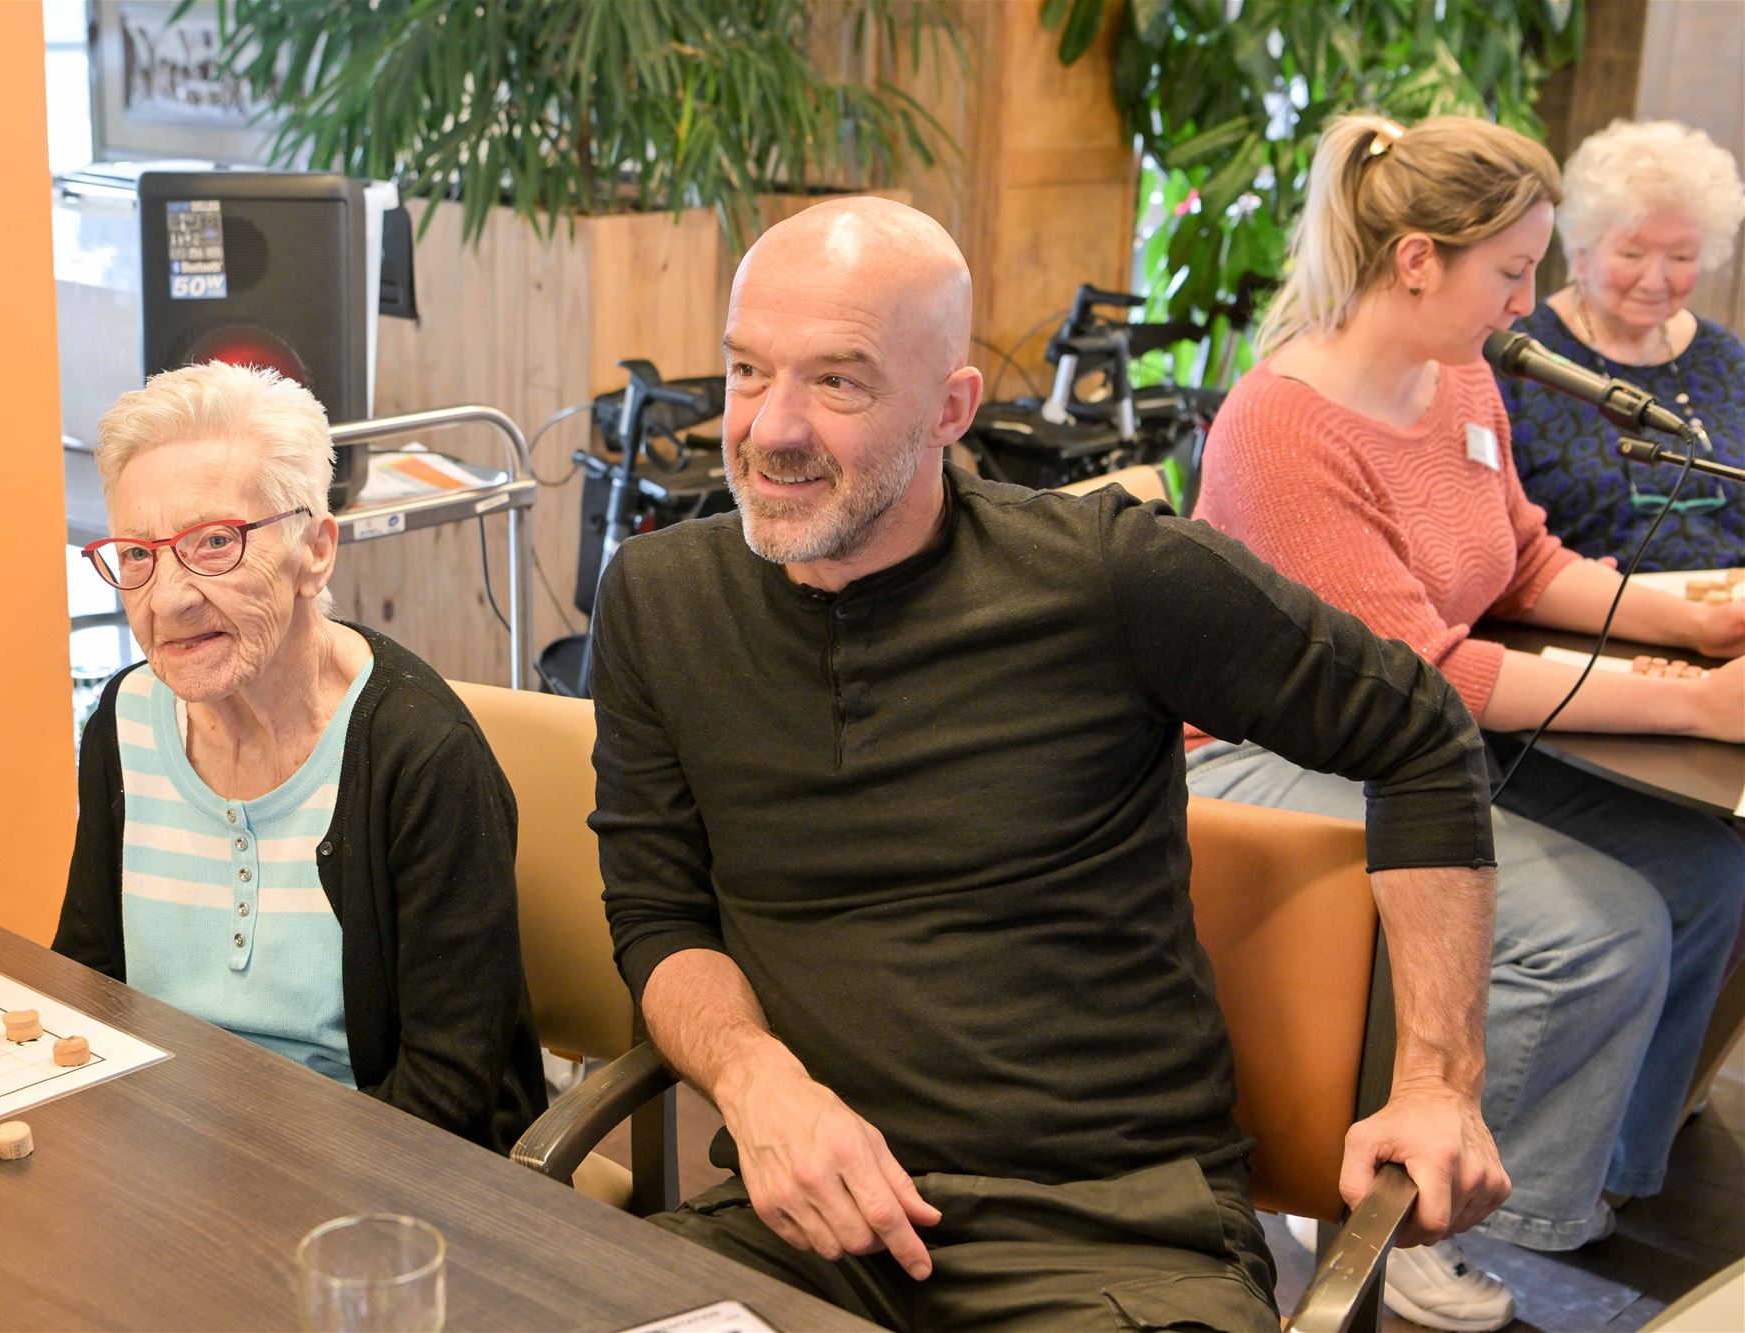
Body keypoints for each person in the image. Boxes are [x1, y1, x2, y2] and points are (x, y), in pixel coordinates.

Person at [590, 196, 1511, 1332]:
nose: (771, 428)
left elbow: (1420, 735)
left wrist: (1437, 1084)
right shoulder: (660, 599)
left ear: (950, 407)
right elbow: (659, 911)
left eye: (837, 382)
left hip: (1111, 1239)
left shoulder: (1112, 578)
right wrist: (754, 1080)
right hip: (812, 1224)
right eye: (746, 371)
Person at [1188, 114, 1745, 1331]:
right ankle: (1416, 1218)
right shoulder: (1283, 425)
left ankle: (1590, 1166)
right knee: (1601, 931)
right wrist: (1692, 702)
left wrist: (1691, 623)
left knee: (1707, 871)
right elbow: (1428, 673)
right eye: (1510, 271)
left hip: (1405, 735)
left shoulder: (1458, 377)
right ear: (1414, 262)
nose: (1527, 302)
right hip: (1266, 753)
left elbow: (1521, 562)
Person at [53, 361, 547, 1153]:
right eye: (138, 554)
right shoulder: (125, 721)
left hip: (375, 1174)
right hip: (166, 1154)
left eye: (215, 542)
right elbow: (87, 985)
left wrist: (251, 1188)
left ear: (315, 550)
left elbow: (446, 1091)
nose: (168, 597)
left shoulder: (420, 757)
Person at [1498, 119, 1745, 569]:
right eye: (1632, 254)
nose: (1655, 279)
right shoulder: (1520, 356)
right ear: (1581, 250)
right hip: (1587, 605)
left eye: (1682, 257)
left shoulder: (1724, 356)